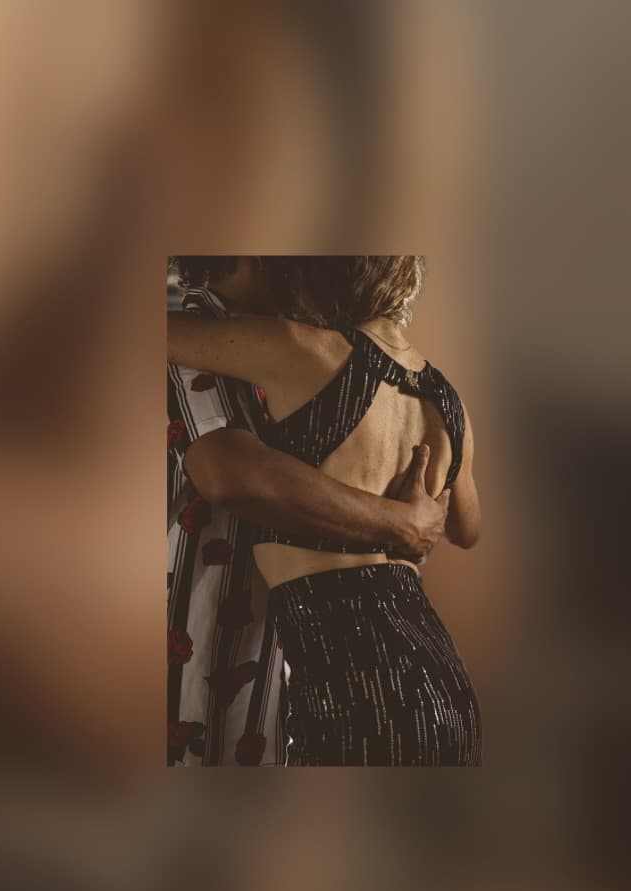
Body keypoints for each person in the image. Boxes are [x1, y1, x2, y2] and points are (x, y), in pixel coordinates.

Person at [168, 256, 482, 766]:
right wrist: (411, 512)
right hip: (444, 674)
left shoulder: (299, 351)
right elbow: (468, 529)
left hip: (353, 684)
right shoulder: (448, 400)